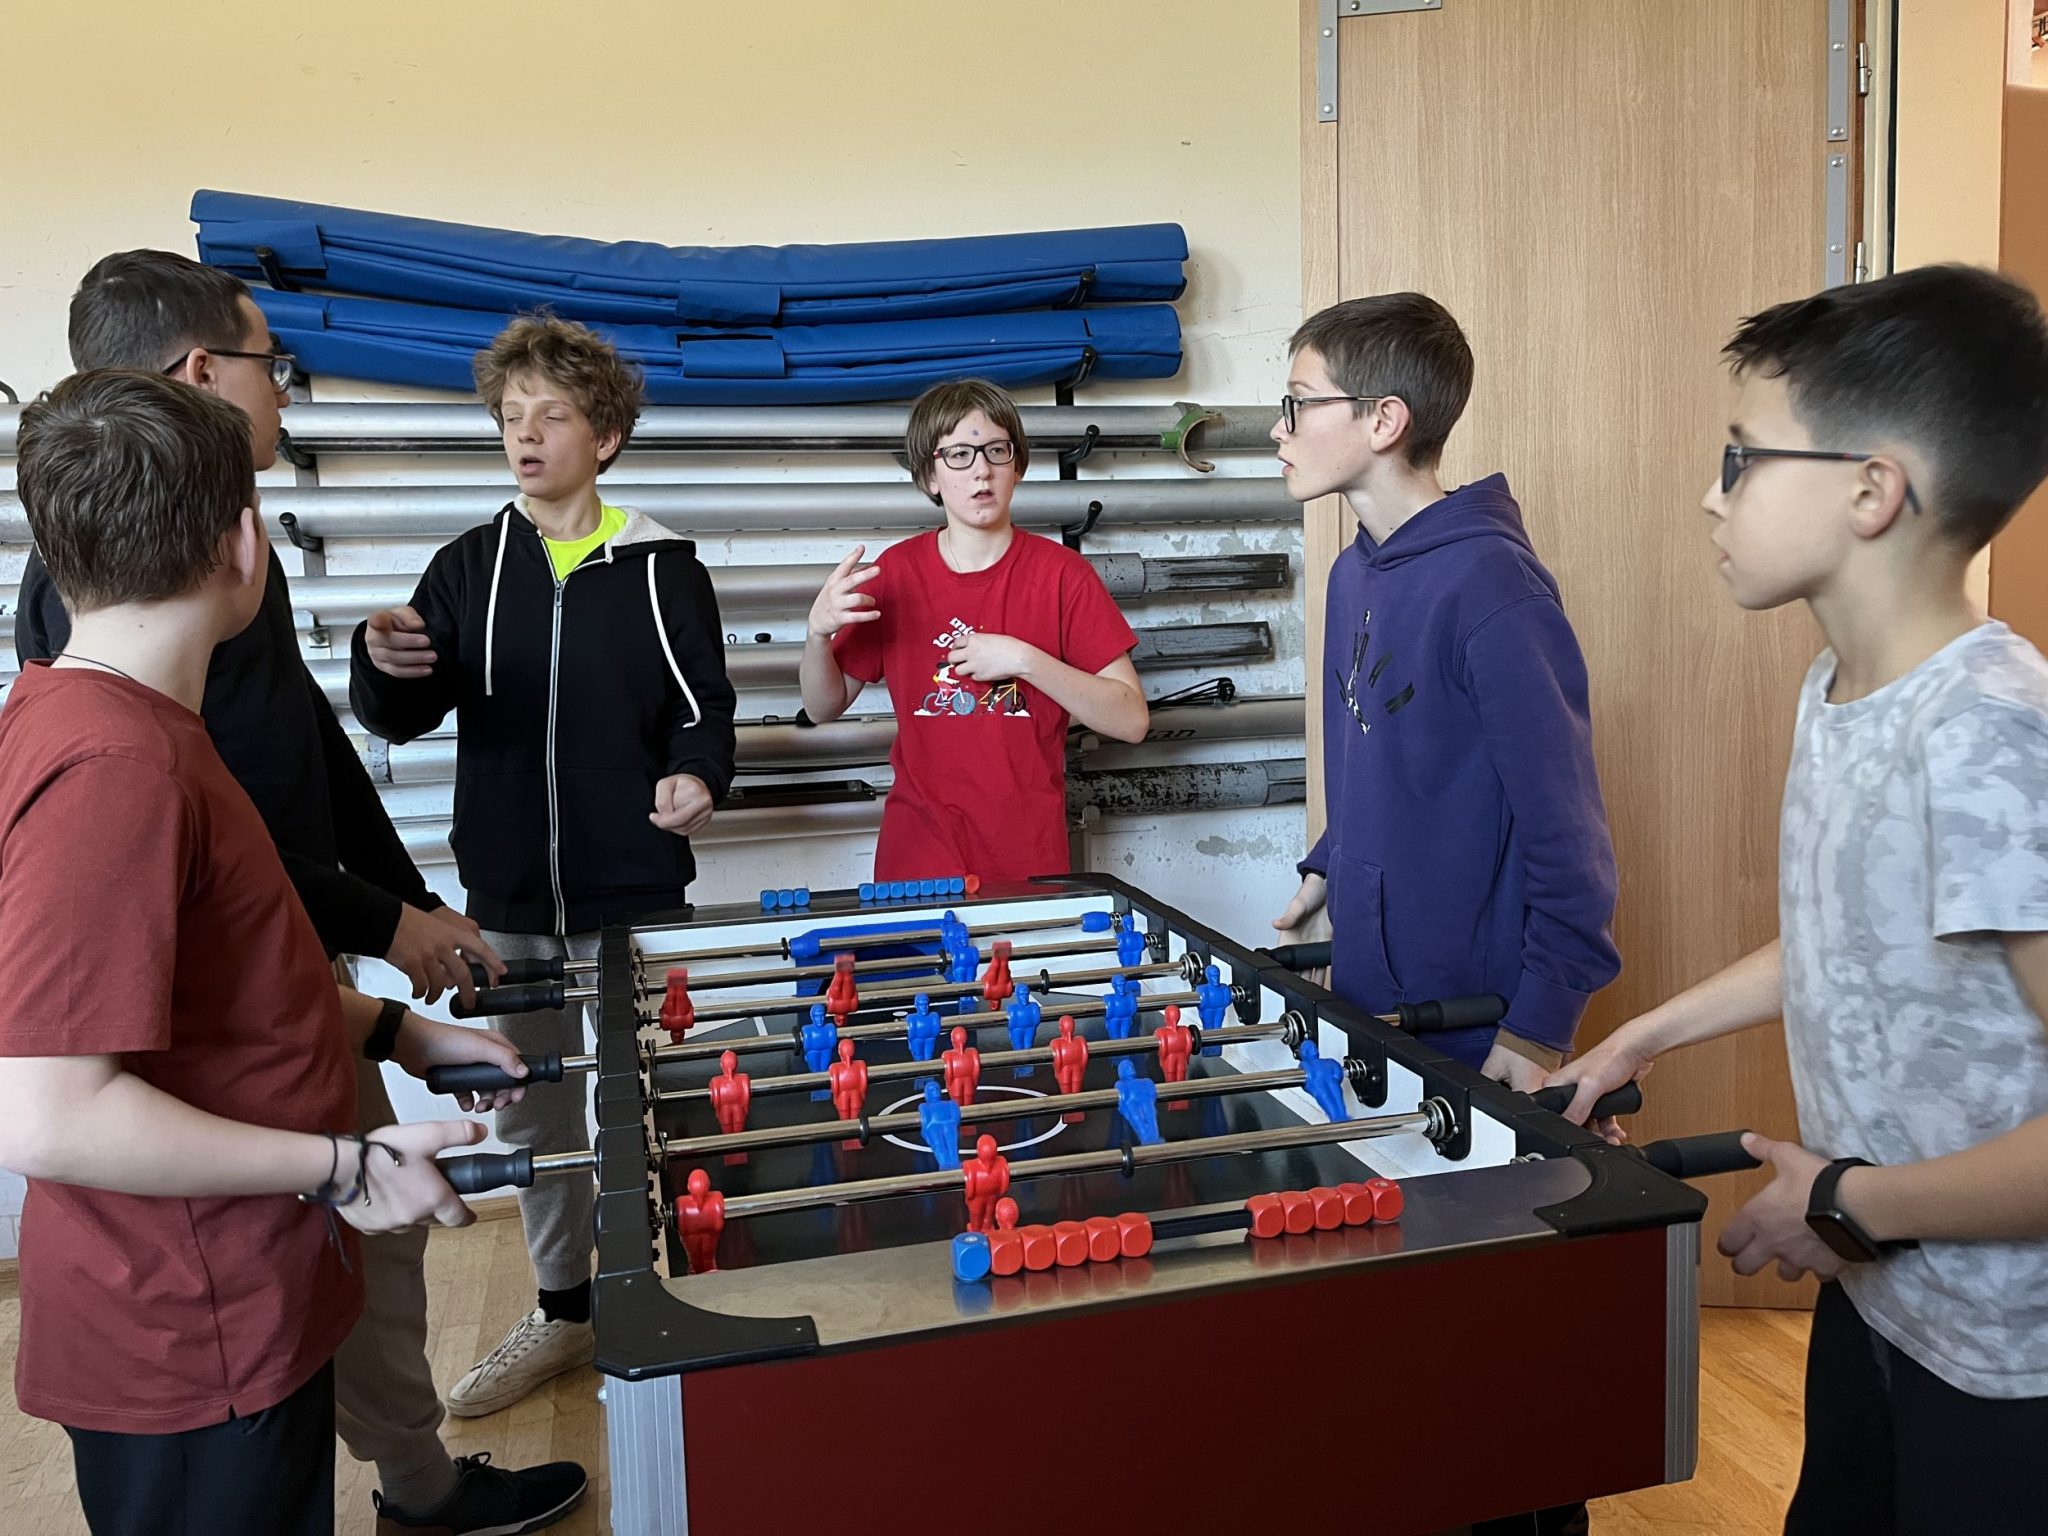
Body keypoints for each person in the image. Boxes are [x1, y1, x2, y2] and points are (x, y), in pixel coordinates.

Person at [11, 249, 585, 1532]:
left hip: (242, 1304)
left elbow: (221, 989)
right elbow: (46, 1113)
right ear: (246, 545)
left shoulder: (149, 733)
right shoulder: (113, 771)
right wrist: (342, 1163)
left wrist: (393, 1031)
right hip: (188, 1333)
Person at [1548, 265, 2048, 1535]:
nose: (1708, 494)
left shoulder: (1987, 736)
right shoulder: (1835, 689)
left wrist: (1840, 1200)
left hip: (2008, 1363)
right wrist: (1642, 1035)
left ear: (1871, 490)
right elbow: (1855, 935)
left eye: (1742, 457)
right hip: (1881, 1294)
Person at [352, 312, 738, 1416]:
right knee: (532, 1114)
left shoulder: (664, 567)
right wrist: (379, 664)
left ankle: (667, 1295)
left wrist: (698, 777)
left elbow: (703, 712)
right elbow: (402, 711)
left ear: (603, 436)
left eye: (550, 415)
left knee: (647, 1102)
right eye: (510, 416)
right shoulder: (467, 567)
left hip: (635, 894)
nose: (524, 435)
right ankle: (566, 1310)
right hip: (509, 898)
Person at [1268, 293, 1620, 1092]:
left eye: (1300, 404)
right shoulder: (1352, 571)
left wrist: (1540, 1029)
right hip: (1372, 996)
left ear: (1384, 420)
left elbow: (1572, 844)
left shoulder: (1495, 588)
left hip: (1477, 1021)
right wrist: (1328, 868)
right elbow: (1389, 756)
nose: (1279, 430)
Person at [799, 378, 1148, 882]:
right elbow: (821, 707)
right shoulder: (895, 573)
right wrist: (817, 636)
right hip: (916, 856)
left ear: (1017, 466)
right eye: (959, 455)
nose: (981, 470)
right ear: (930, 476)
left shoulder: (1063, 575)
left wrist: (1025, 660)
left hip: (1027, 855)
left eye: (996, 451)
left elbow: (1132, 720)